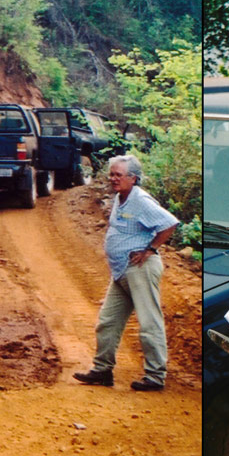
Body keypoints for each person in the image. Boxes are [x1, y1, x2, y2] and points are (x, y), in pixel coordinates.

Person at [73, 154, 178, 392]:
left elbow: (169, 223)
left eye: (118, 175)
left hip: (139, 269)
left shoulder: (140, 200)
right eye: (112, 174)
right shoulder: (121, 197)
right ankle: (102, 370)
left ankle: (155, 376)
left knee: (149, 323)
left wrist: (150, 249)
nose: (113, 179)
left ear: (134, 178)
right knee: (107, 321)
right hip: (121, 271)